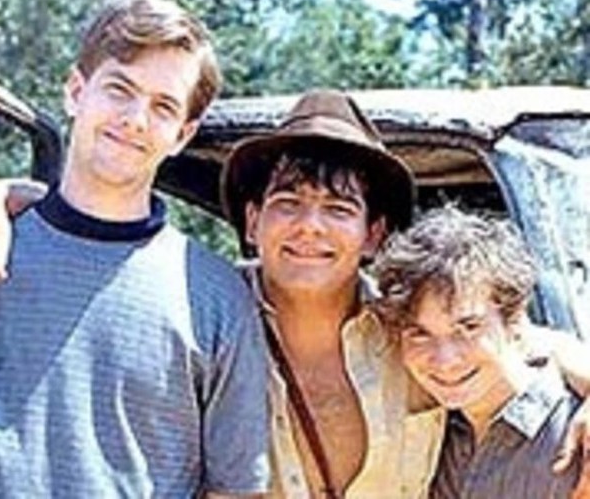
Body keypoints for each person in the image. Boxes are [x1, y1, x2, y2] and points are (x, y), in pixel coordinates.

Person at [220, 89, 590, 498]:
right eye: (288, 203)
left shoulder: (407, 324)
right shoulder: (204, 321)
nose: (310, 226)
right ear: (252, 222)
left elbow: (516, 339)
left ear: (373, 235)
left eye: (339, 209)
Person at [0, 0, 269, 498]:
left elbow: (235, 489)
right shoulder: (0, 245)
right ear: (75, 91)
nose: (136, 119)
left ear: (183, 134)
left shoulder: (216, 296)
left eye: (163, 106)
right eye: (120, 89)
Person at [373, 205, 586, 498]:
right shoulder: (432, 437)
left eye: (468, 327)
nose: (445, 360)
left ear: (514, 321)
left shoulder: (573, 438)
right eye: (419, 333)